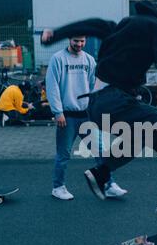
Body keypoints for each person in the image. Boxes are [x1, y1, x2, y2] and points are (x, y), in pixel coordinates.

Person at [41, 1, 157, 218]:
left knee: (139, 137)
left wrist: (56, 34)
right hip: (114, 101)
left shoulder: (127, 24)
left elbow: (95, 25)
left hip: (96, 105)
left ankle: (101, 173)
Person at [46, 36, 127, 200]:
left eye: (82, 41)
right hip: (67, 116)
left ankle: (109, 185)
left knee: (101, 152)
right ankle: (58, 187)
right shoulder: (58, 59)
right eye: (76, 41)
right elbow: (52, 85)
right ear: (69, 39)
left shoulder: (89, 60)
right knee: (63, 155)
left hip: (86, 116)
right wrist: (58, 112)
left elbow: (94, 86)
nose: (79, 44)